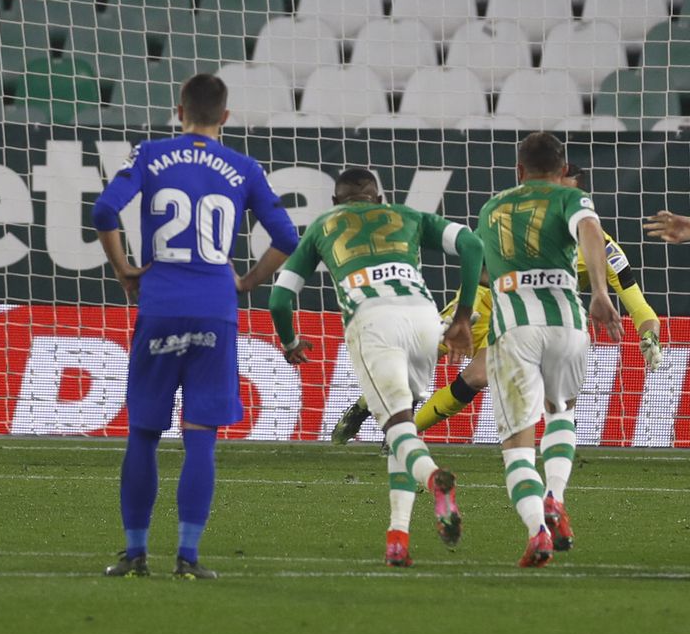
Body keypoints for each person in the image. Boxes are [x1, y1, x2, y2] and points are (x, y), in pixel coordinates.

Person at [330, 165, 662, 554]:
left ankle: (405, 431)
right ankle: (366, 404)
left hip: (522, 323)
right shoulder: (521, 225)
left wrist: (649, 334)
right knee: (421, 349)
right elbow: (482, 264)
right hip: (491, 305)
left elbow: (638, 303)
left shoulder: (602, 249)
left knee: (475, 376)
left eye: (566, 191)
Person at [92, 72, 299, 579]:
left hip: (159, 305)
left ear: (178, 111)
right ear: (225, 117)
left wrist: (124, 271)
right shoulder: (244, 167)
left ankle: (136, 552)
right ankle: (187, 557)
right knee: (200, 436)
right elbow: (288, 237)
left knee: (143, 433)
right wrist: (246, 282)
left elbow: (103, 211)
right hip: (214, 310)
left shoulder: (147, 154)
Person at [268, 168, 482, 568]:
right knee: (401, 430)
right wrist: (464, 316)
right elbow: (472, 243)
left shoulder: (322, 225)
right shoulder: (406, 215)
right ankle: (397, 537)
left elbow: (279, 299)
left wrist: (290, 342)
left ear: (336, 203)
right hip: (423, 319)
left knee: (397, 428)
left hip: (372, 320)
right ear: (379, 199)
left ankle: (433, 477)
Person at [475, 133, 623, 566]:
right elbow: (591, 230)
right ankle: (555, 496)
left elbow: (480, 266)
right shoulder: (567, 197)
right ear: (562, 170)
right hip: (566, 322)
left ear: (519, 170)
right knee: (561, 411)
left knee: (517, 441)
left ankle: (537, 530)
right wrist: (598, 291)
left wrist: (464, 314)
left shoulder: (492, 207)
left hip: (513, 328)